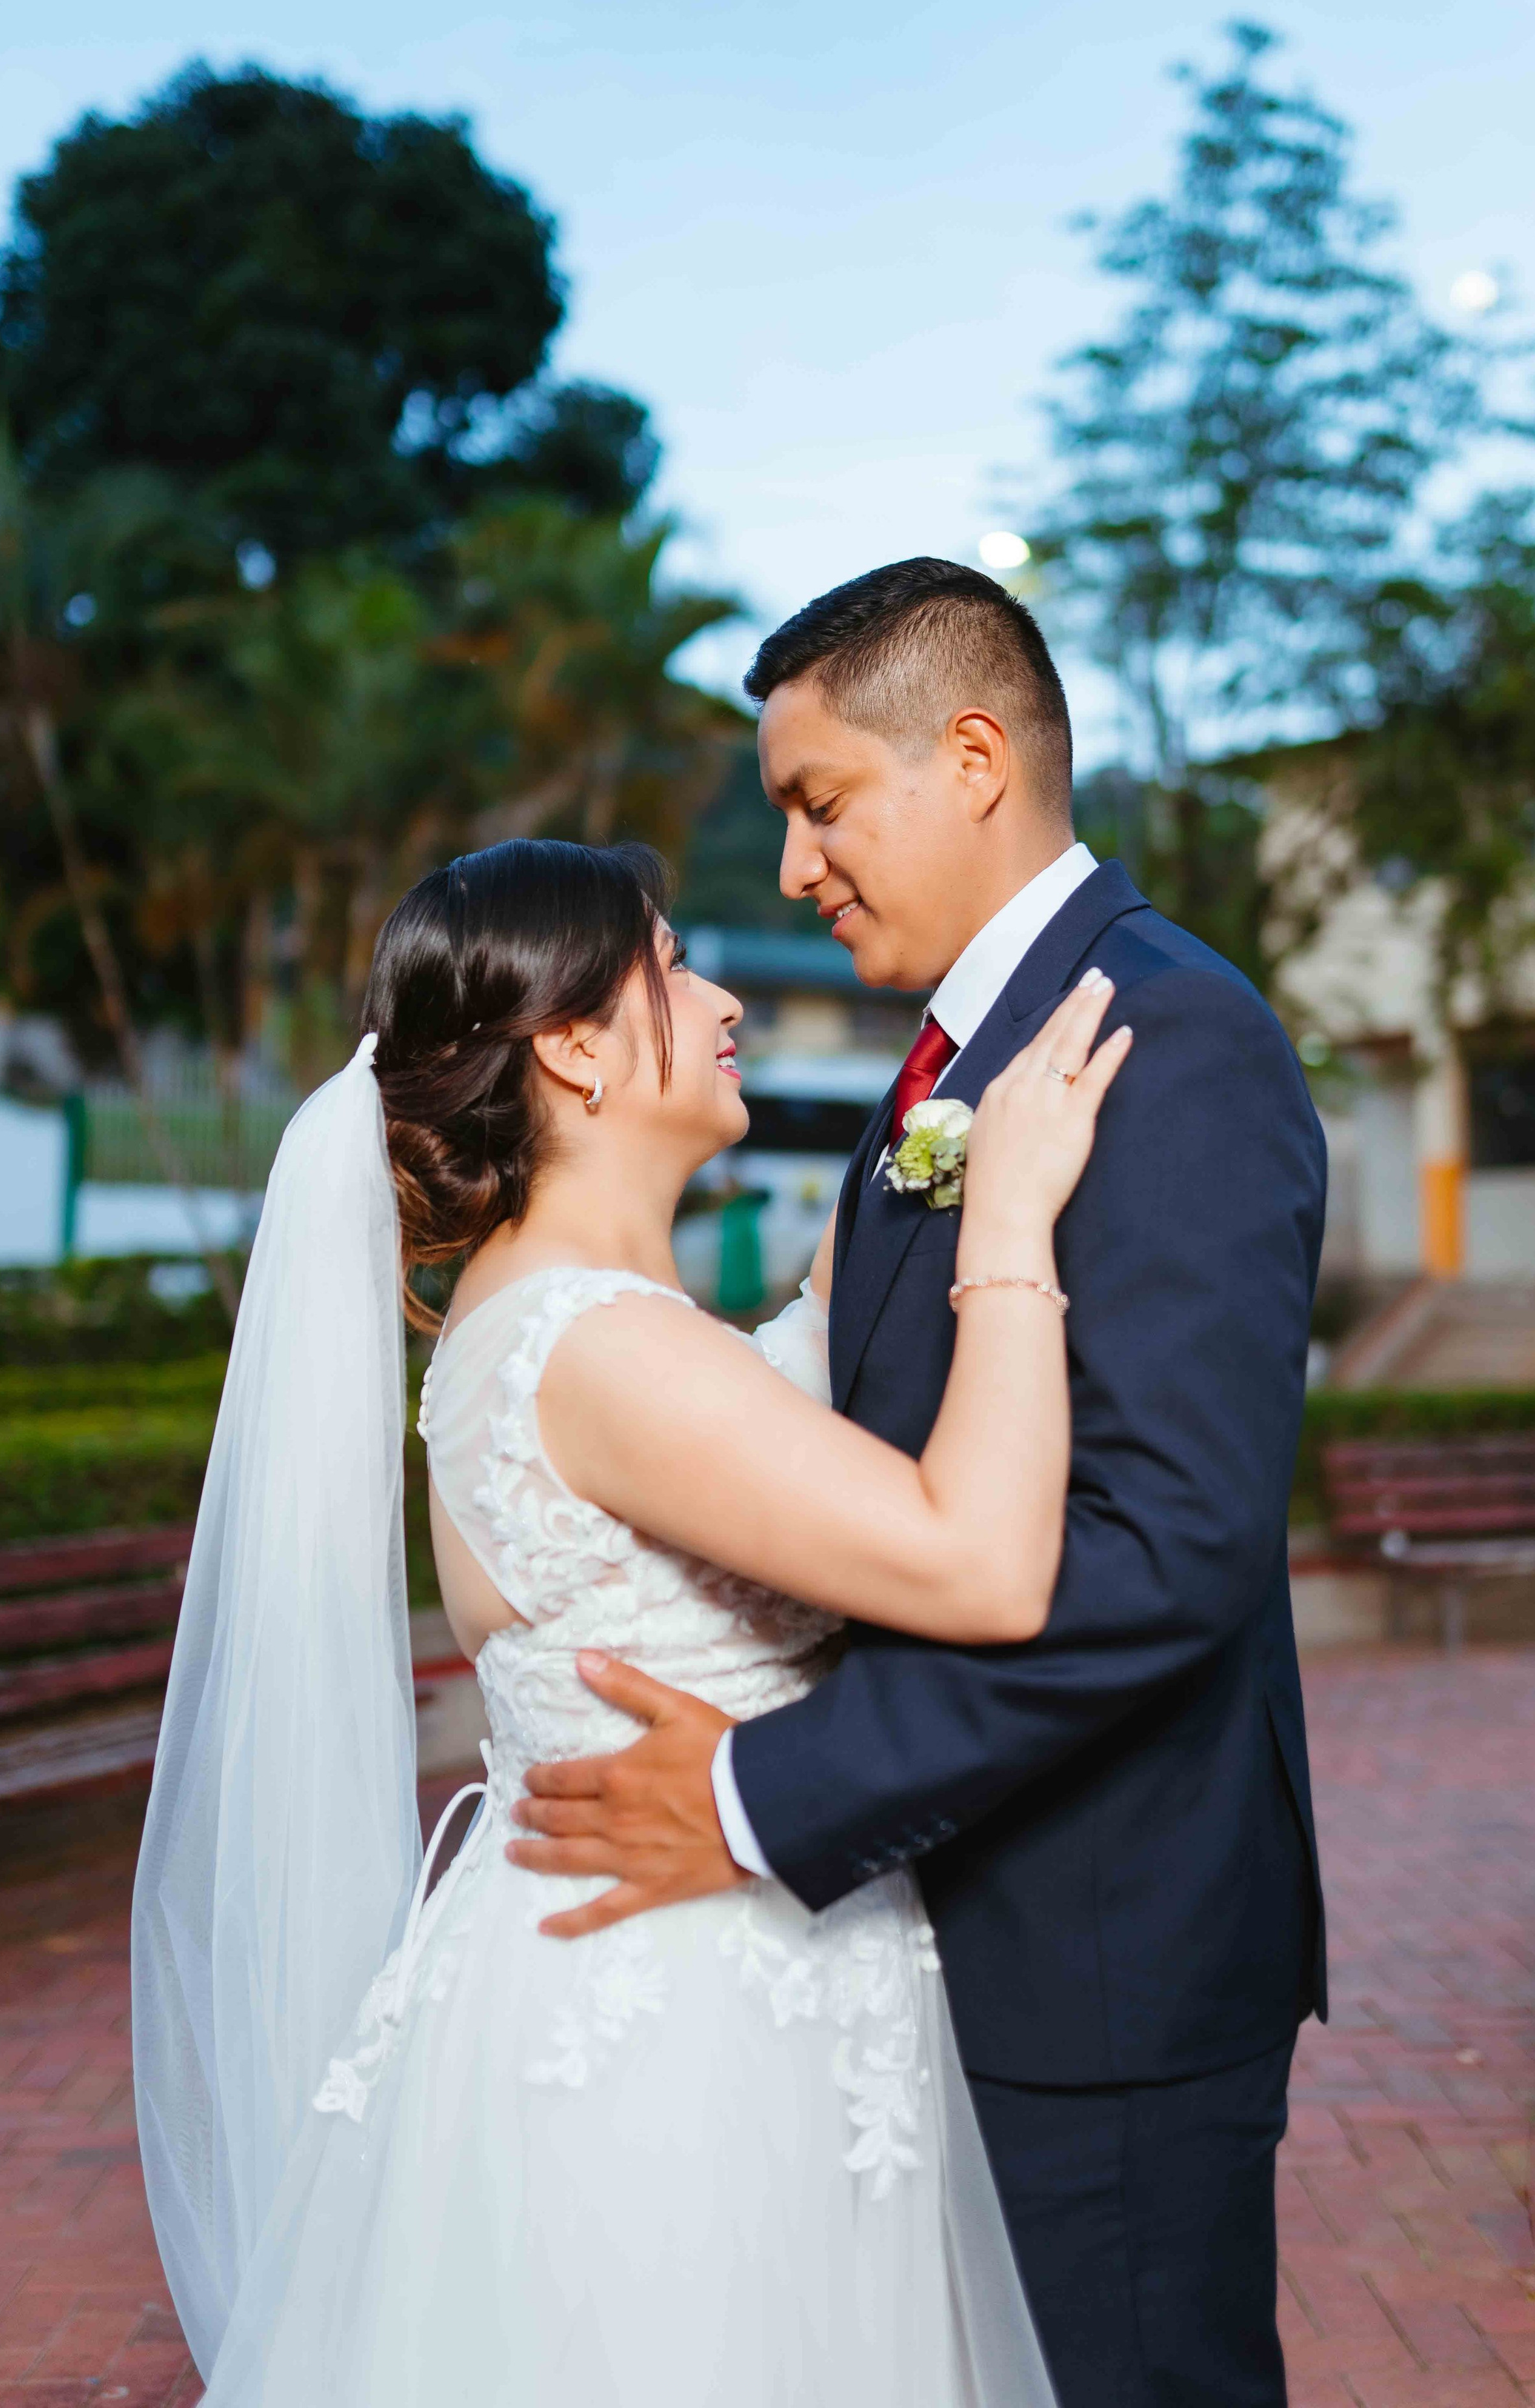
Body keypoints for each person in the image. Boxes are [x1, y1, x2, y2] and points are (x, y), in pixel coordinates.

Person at [131, 830, 1132, 2406]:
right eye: (669, 966)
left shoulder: (590, 1329)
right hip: (682, 2028)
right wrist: (1002, 1228)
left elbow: (785, 1373)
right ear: (574, 1047)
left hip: (670, 1967)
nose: (720, 994)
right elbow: (984, 1570)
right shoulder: (593, 1349)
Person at [509, 558, 1330, 2407]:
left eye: (820, 805)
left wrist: (758, 1796)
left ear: (973, 757)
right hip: (939, 1938)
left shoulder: (1167, 1038)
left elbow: (1165, 1550)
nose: (792, 868)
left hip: (1100, 1956)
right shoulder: (957, 1068)